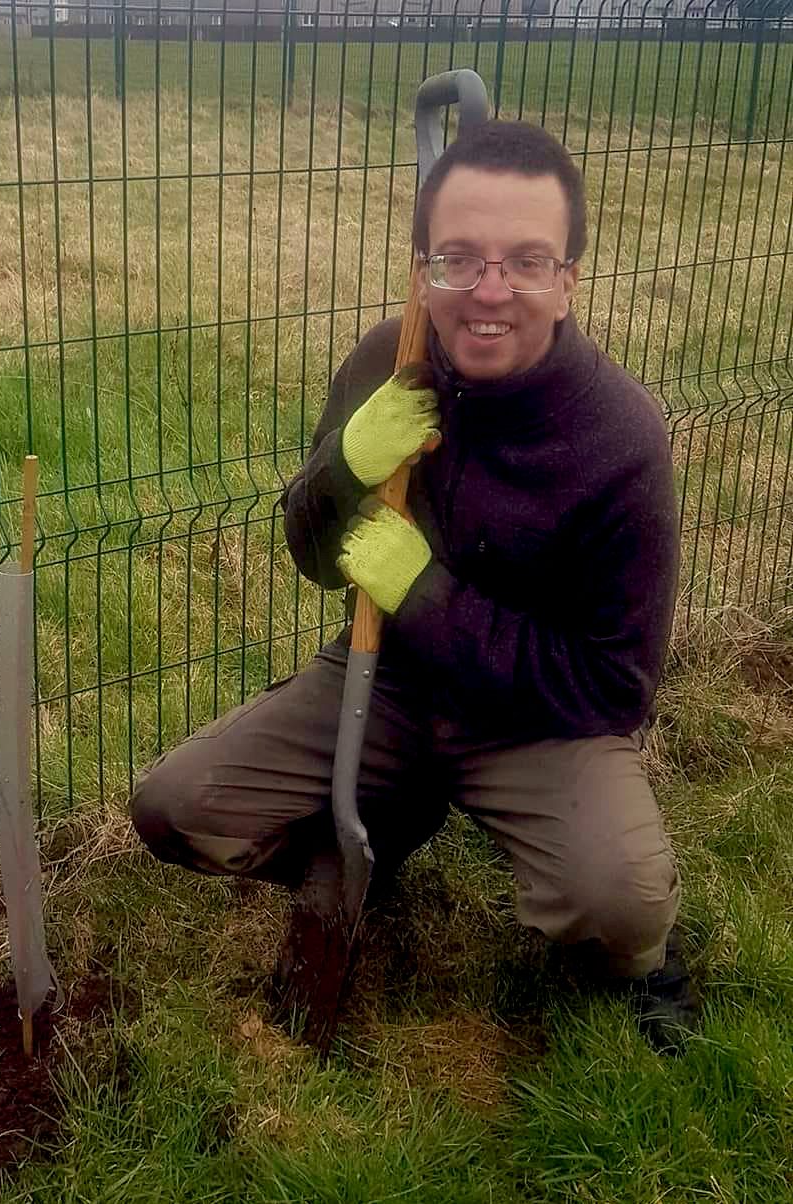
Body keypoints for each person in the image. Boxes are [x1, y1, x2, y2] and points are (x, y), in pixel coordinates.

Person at [131, 120, 700, 1053]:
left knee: (616, 902)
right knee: (176, 809)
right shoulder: (387, 362)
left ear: (568, 281)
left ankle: (647, 964)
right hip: (384, 682)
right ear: (422, 266)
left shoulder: (619, 438)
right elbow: (314, 553)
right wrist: (342, 470)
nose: (488, 292)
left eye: (526, 261)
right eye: (458, 259)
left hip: (535, 723)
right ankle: (377, 829)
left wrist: (426, 595)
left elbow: (613, 688)